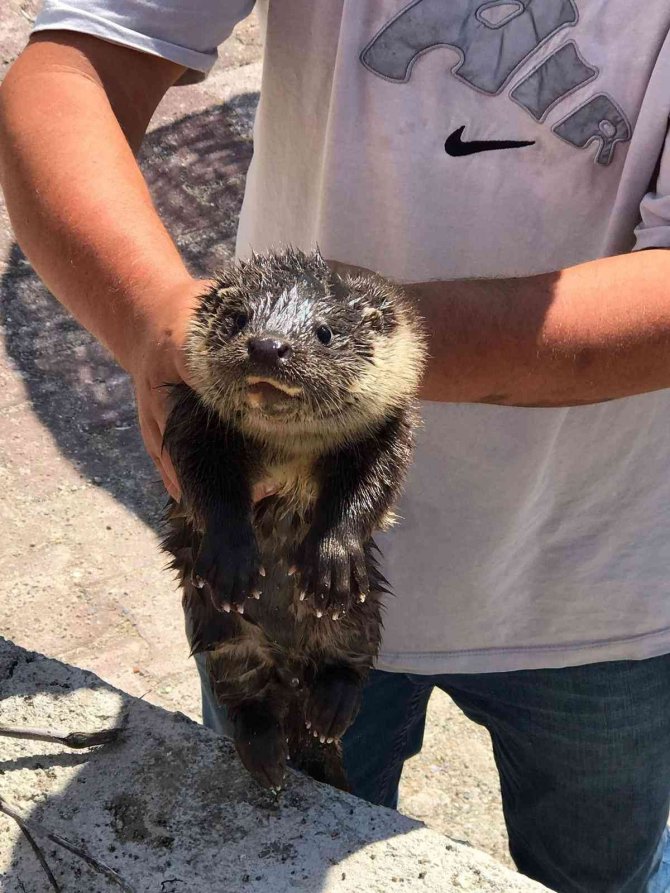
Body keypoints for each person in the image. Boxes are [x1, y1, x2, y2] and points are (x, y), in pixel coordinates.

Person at [2, 2, 670, 890]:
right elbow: (75, 65)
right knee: (270, 825)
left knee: (603, 871)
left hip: (602, 584)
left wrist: (378, 358)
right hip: (277, 588)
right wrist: (150, 314)